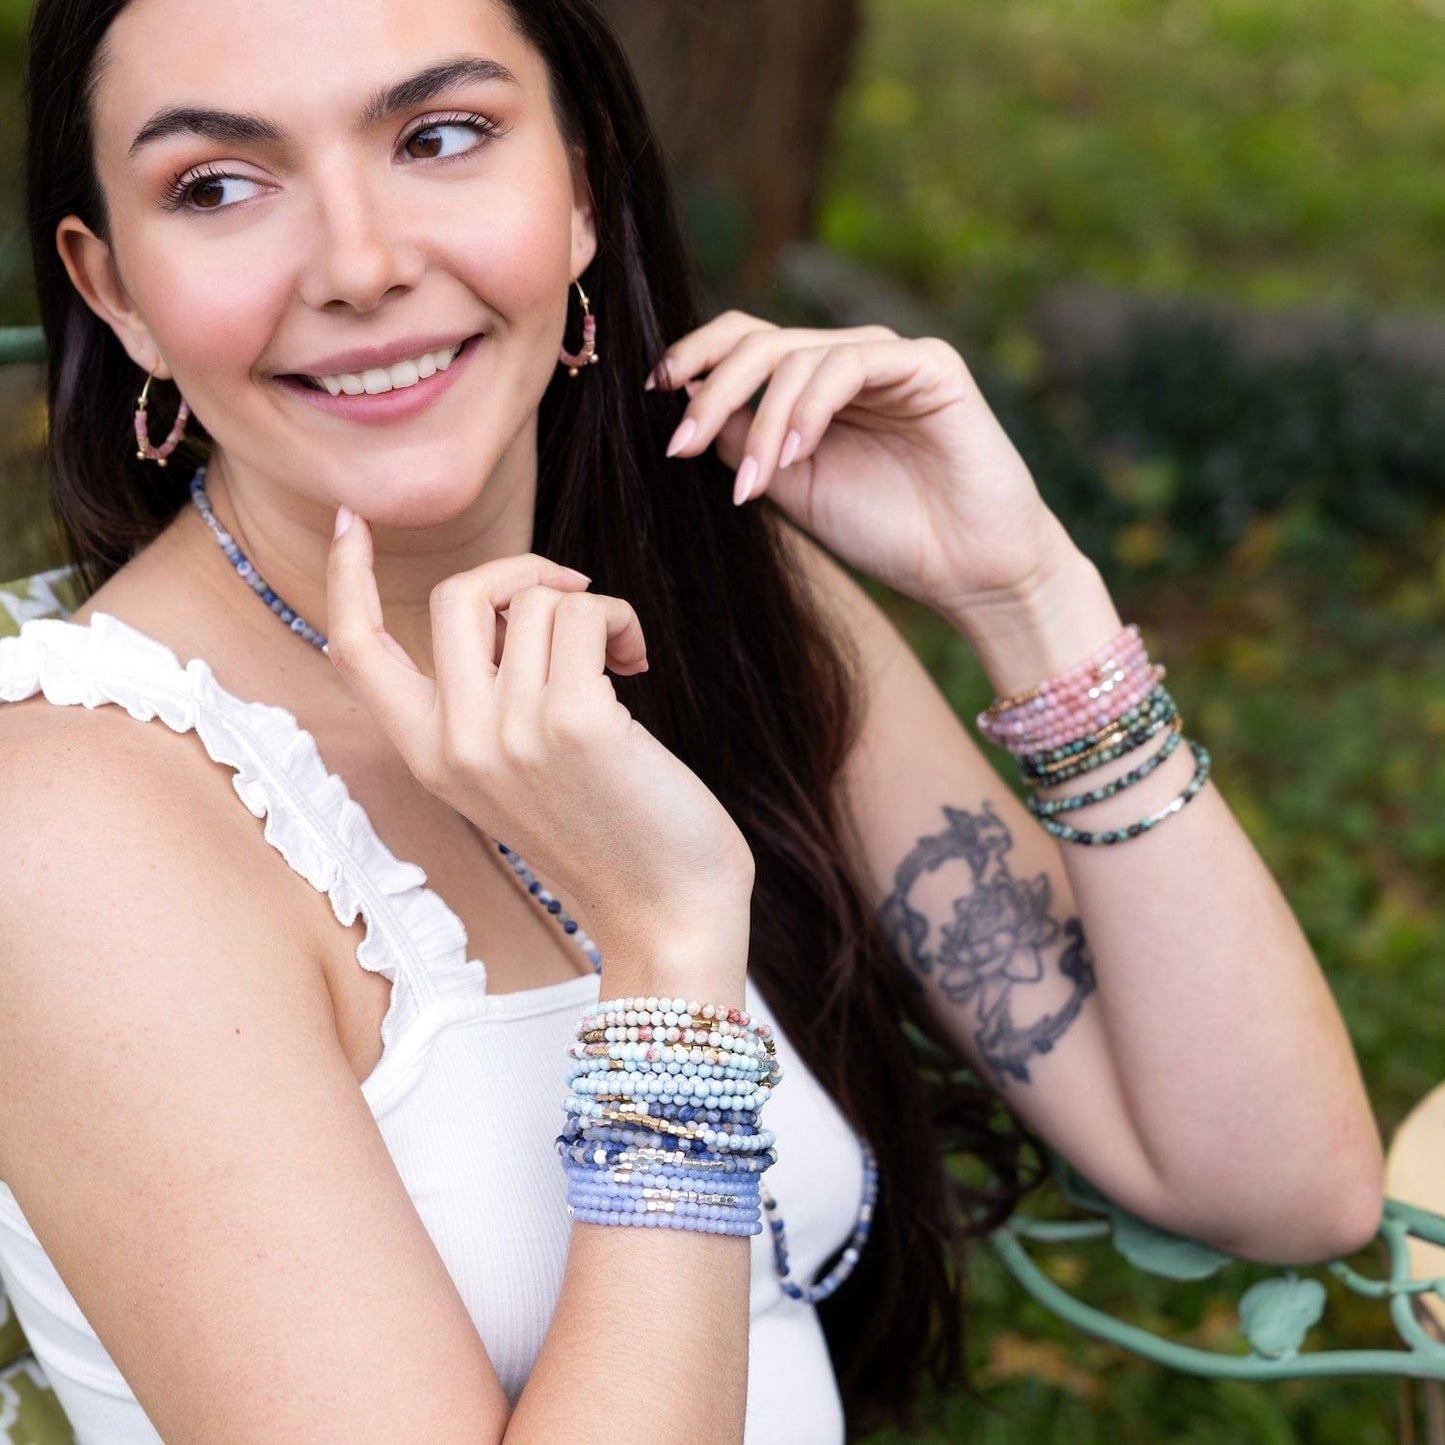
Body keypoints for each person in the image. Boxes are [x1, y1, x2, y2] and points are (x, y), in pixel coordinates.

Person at [0, 0, 1384, 1440]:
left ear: (584, 188)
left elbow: (1277, 1177)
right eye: (219, 186)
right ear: (117, 293)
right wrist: (664, 943)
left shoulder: (707, 590)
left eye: (442, 135)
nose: (360, 264)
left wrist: (1028, 593)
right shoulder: (76, 826)